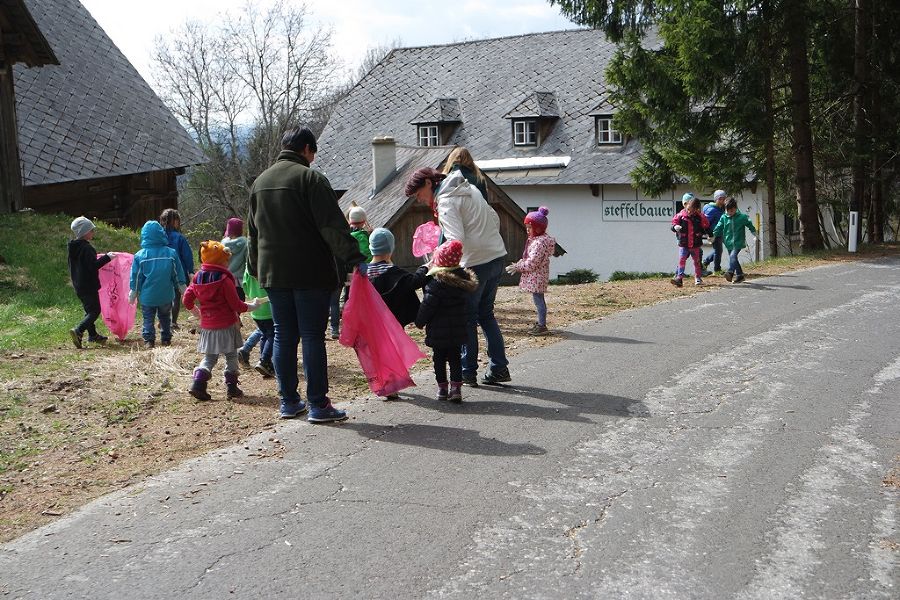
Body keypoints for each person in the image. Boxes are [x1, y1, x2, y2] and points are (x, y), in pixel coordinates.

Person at [247, 126, 367, 422]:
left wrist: (254, 267)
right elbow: (331, 226)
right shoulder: (311, 179)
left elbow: (254, 232)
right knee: (312, 336)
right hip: (310, 272)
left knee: (284, 335)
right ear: (306, 150)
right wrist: (354, 258)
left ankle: (288, 402)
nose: (313, 159)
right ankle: (318, 405)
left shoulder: (260, 182)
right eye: (313, 153)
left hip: (273, 274)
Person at [404, 165, 510, 386]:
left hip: (474, 262)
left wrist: (437, 263)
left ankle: (467, 371)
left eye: (419, 195)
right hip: (496, 255)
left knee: (468, 318)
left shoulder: (446, 201)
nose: (420, 200)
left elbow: (454, 239)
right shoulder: (469, 188)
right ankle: (499, 367)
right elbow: (493, 217)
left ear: (428, 183)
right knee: (487, 315)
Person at [183, 241, 265, 401]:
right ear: (221, 261)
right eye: (226, 260)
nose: (228, 263)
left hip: (207, 326)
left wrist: (198, 313)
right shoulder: (225, 280)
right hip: (227, 325)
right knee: (231, 356)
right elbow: (236, 305)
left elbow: (187, 299)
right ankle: (232, 388)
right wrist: (253, 306)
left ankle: (198, 384)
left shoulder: (198, 277)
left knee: (209, 358)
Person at [366, 227, 430, 399]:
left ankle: (384, 383)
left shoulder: (362, 273)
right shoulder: (394, 273)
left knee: (378, 353)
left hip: (371, 322)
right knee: (393, 352)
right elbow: (414, 282)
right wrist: (425, 267)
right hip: (393, 322)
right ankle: (391, 384)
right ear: (390, 249)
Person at [415, 240, 478, 403]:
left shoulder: (436, 283)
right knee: (456, 358)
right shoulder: (464, 282)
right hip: (458, 329)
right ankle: (456, 388)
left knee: (439, 359)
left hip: (438, 330)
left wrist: (420, 321)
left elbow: (427, 306)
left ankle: (442, 388)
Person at [129, 220, 187, 348]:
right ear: (161, 234)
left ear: (144, 235)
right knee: (165, 317)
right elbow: (177, 274)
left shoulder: (140, 256)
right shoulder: (171, 253)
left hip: (148, 297)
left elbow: (137, 277)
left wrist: (133, 292)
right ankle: (166, 338)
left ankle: (149, 340)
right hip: (166, 296)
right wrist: (183, 288)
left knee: (148, 319)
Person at [505, 207, 555, 336]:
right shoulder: (542, 240)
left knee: (539, 301)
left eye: (529, 227)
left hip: (537, 276)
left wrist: (518, 267)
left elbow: (532, 262)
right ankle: (541, 323)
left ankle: (542, 325)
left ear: (538, 228)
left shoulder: (539, 243)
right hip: (540, 275)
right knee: (539, 300)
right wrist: (519, 264)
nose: (527, 230)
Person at [67, 216, 115, 348]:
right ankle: (79, 330)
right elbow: (93, 266)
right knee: (95, 311)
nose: (93, 232)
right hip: (88, 285)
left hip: (79, 284)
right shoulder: (87, 248)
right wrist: (107, 257)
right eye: (91, 230)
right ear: (84, 232)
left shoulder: (73, 248)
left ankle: (93, 335)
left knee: (89, 310)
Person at [159, 208, 194, 331]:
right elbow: (187, 256)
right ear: (175, 222)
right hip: (177, 272)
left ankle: (163, 319)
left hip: (161, 272)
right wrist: (190, 271)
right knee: (176, 298)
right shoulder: (179, 238)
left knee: (163, 297)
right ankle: (173, 322)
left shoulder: (158, 237)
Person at [238, 267, 275, 378]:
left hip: (256, 310)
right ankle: (265, 360)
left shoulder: (248, 268)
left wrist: (253, 295)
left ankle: (265, 363)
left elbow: (244, 285)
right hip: (269, 309)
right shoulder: (268, 266)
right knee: (273, 335)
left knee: (264, 334)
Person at [713, 197, 758, 284]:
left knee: (733, 257)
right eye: (728, 211)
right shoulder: (724, 217)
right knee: (733, 258)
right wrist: (713, 235)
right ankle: (740, 275)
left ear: (736, 208)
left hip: (738, 242)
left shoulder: (742, 217)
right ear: (725, 209)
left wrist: (754, 233)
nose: (730, 213)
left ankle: (730, 272)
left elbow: (749, 225)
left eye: (732, 211)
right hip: (728, 242)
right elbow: (719, 227)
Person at [670, 194, 711, 288]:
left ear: (696, 209)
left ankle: (698, 278)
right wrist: (675, 227)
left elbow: (706, 226)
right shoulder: (680, 216)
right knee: (682, 260)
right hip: (684, 243)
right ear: (686, 205)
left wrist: (710, 235)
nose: (689, 212)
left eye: (692, 210)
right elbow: (673, 224)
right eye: (688, 209)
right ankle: (679, 278)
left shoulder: (700, 217)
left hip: (695, 244)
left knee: (696, 261)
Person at [221, 218, 248, 301]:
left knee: (227, 303)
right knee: (239, 302)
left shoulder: (222, 244)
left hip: (224, 279)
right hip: (239, 281)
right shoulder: (245, 243)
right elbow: (248, 261)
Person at [701, 190, 727, 275]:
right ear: (716, 199)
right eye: (721, 199)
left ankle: (705, 262)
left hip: (719, 232)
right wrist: (709, 234)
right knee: (718, 251)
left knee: (718, 251)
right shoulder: (711, 210)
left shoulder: (720, 208)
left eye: (724, 199)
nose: (723, 201)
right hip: (714, 233)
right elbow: (706, 223)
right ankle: (717, 269)